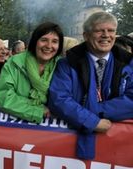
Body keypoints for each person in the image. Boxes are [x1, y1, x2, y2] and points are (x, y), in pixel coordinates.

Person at [48, 12, 133, 159]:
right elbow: (59, 100)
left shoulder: (129, 63)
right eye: (99, 30)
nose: (106, 35)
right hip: (73, 148)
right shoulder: (67, 64)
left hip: (119, 150)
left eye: (111, 30)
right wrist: (92, 122)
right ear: (86, 35)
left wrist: (96, 113)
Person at [0, 22, 64, 123]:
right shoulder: (15, 62)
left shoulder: (62, 66)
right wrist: (37, 111)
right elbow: (2, 95)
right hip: (16, 130)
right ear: (35, 41)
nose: (49, 46)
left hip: (51, 134)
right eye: (44, 40)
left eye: (55, 41)